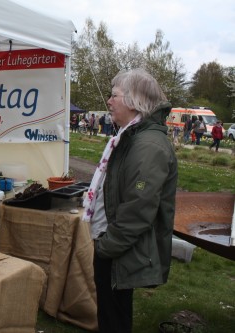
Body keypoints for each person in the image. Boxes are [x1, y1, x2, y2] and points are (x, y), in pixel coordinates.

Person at [82, 68, 178, 333]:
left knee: (115, 318)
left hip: (119, 248)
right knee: (112, 311)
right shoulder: (131, 136)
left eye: (115, 95)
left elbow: (138, 208)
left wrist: (107, 247)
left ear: (134, 101)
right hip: (114, 242)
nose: (109, 101)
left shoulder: (147, 146)